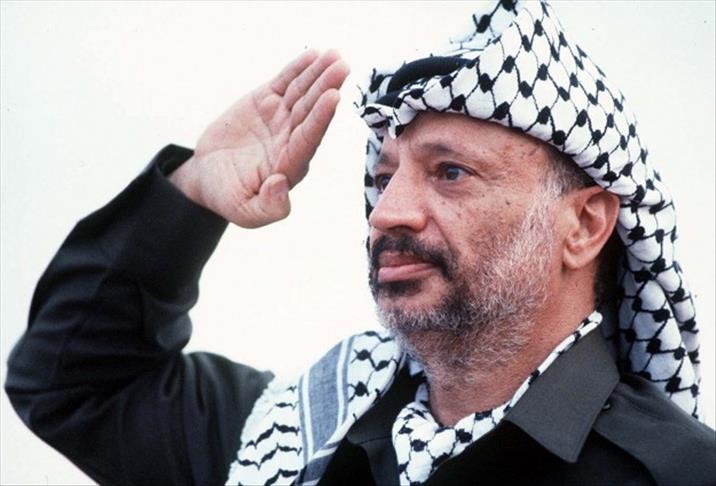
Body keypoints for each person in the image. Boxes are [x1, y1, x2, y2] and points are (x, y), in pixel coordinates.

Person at [5, 1, 715, 485]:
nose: (387, 214)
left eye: (451, 173)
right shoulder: (291, 436)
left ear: (583, 226)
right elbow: (74, 383)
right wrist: (190, 191)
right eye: (383, 177)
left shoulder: (678, 472)